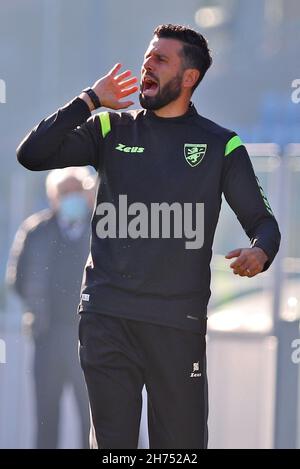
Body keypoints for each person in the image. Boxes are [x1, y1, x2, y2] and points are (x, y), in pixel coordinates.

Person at [16, 24, 281, 449]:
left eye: (160, 60)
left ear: (189, 77)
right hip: (107, 318)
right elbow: (32, 154)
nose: (147, 66)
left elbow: (264, 222)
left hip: (177, 325)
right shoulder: (110, 130)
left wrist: (260, 251)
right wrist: (87, 101)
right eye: (147, 57)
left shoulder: (220, 145)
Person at [6, 167, 95, 448]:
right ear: (53, 197)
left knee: (93, 418)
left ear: (88, 194)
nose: (72, 197)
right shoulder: (36, 231)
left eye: (77, 191)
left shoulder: (101, 230)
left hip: (91, 341)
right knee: (46, 418)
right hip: (47, 336)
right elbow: (17, 280)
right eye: (65, 192)